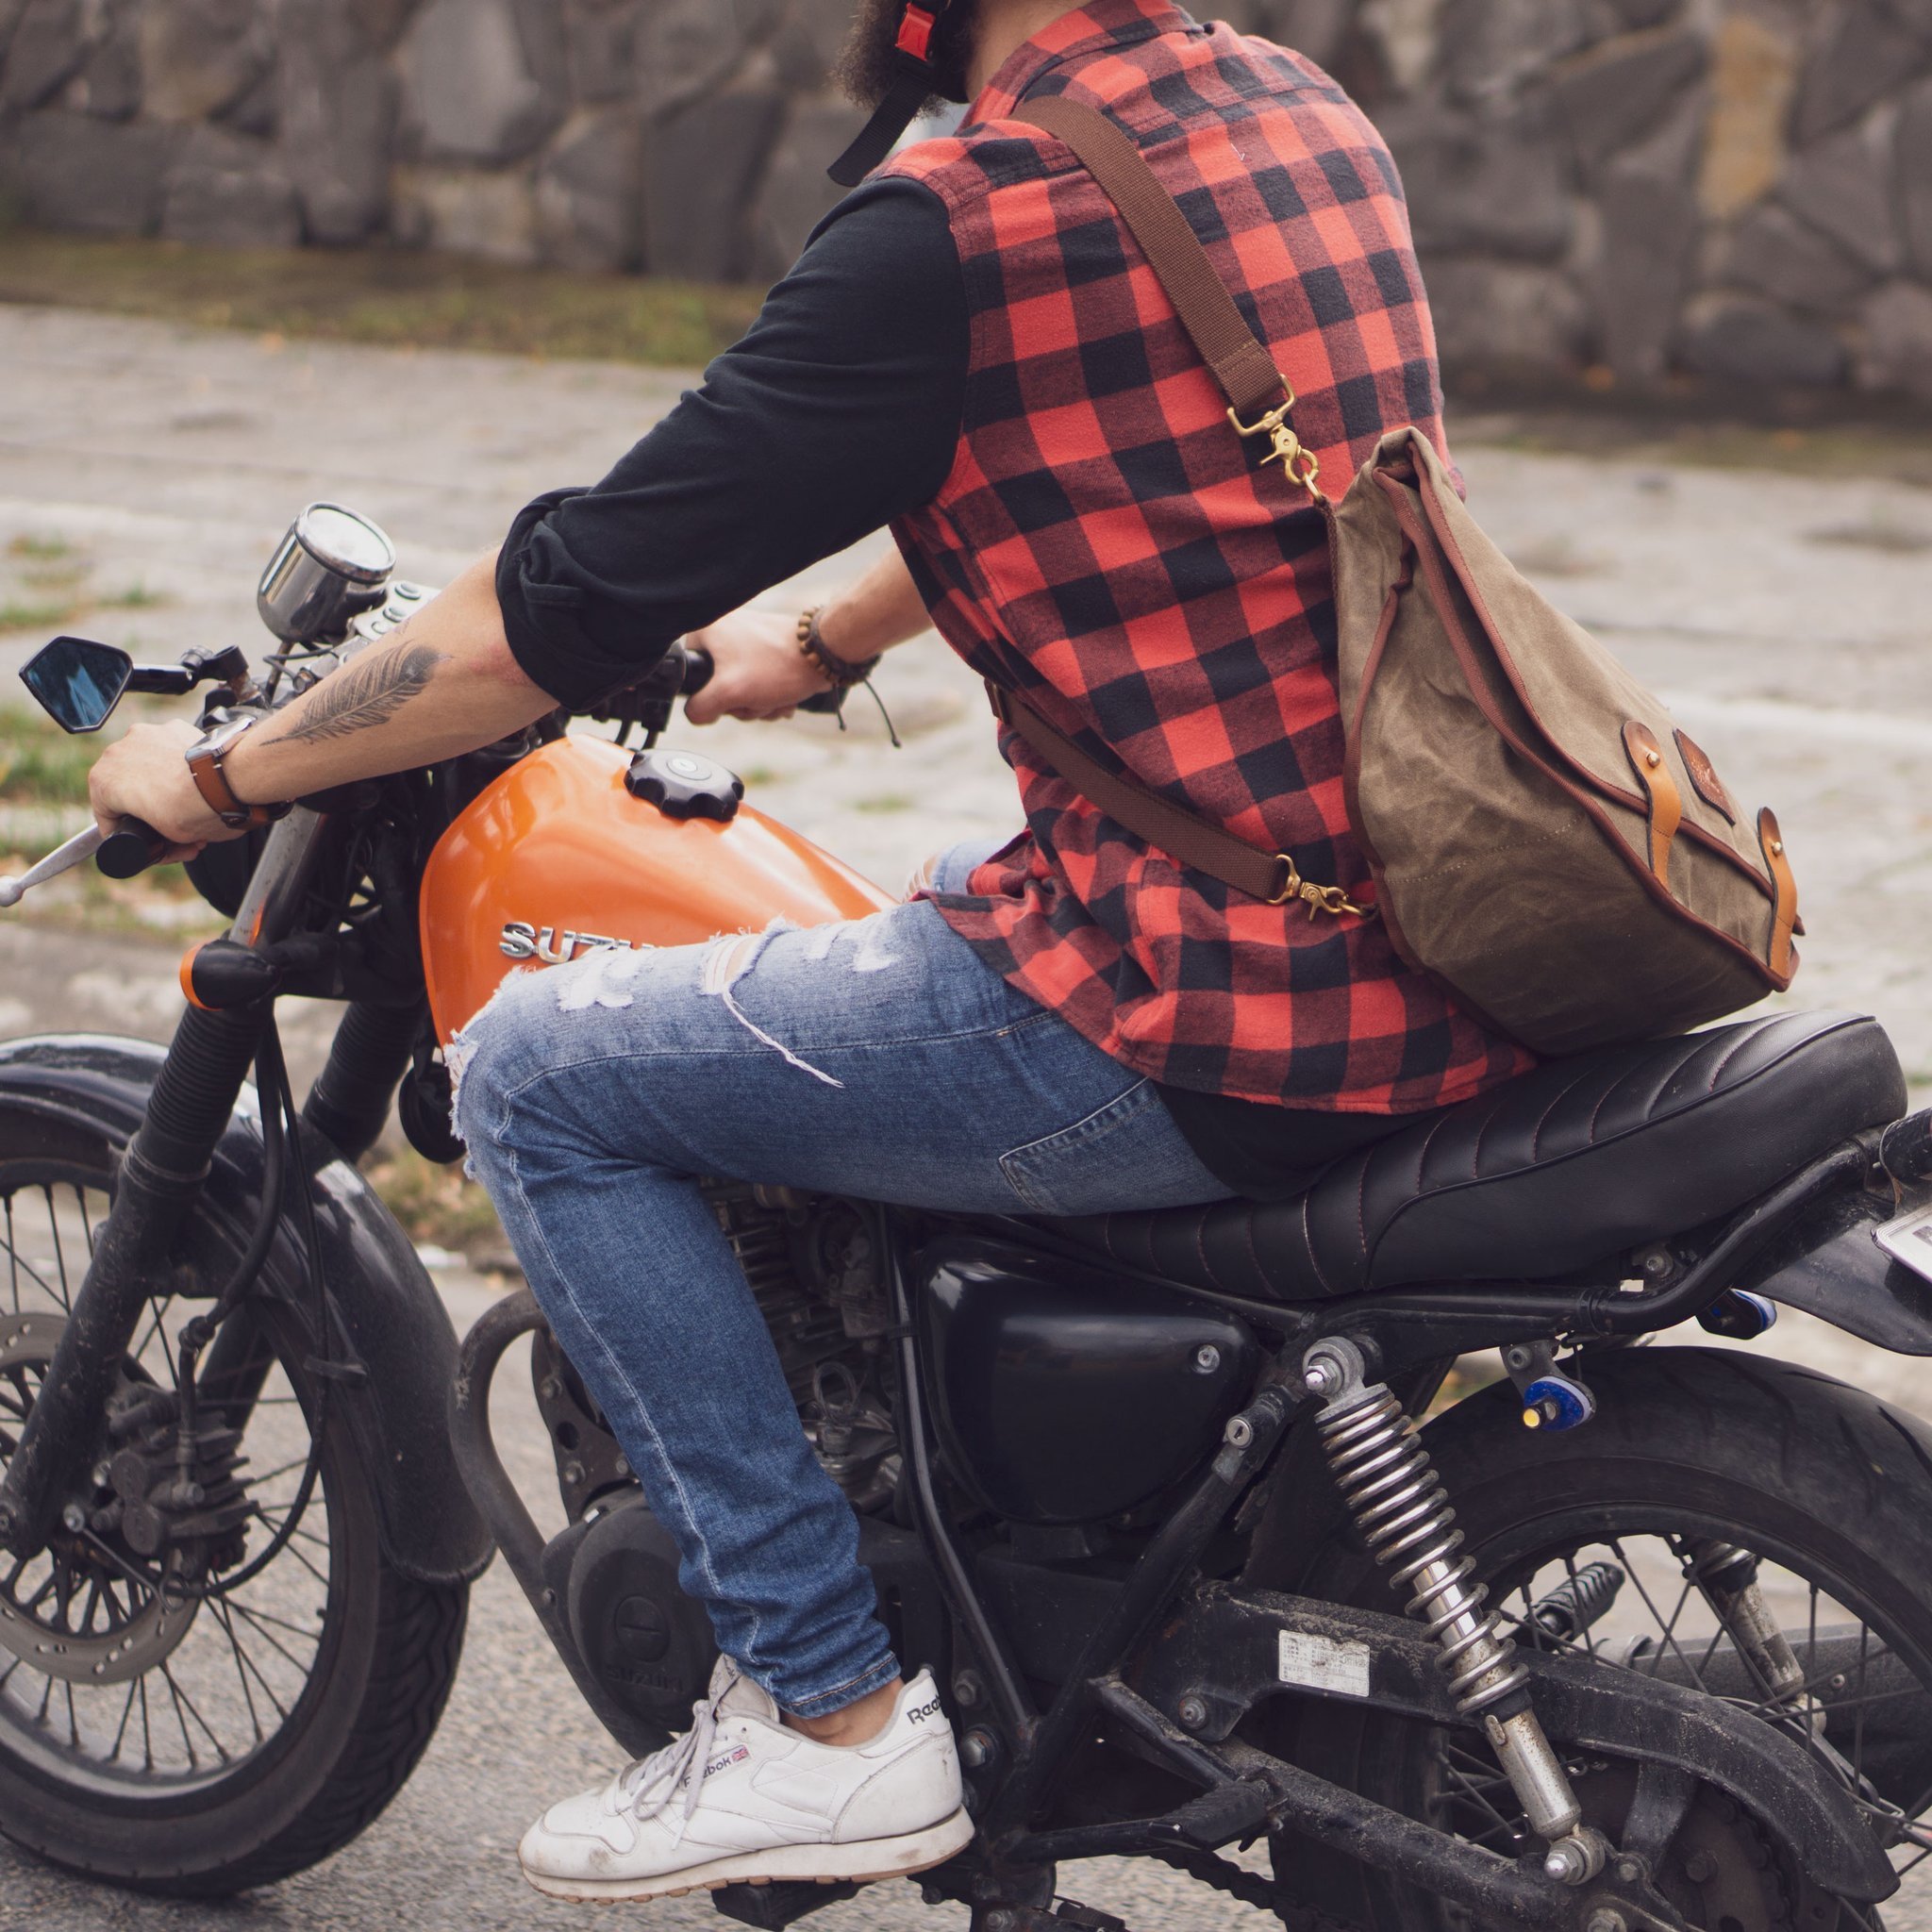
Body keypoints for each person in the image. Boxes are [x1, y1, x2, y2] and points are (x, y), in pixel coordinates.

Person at [85, 0, 1530, 1904]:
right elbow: (1138, 457)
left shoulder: (959, 225)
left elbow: (551, 610)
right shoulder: (1292, 116)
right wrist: (830, 637)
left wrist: (221, 768)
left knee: (542, 1070)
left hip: (1203, 1005)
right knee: (901, 898)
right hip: (1419, 931)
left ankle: (823, 1715)